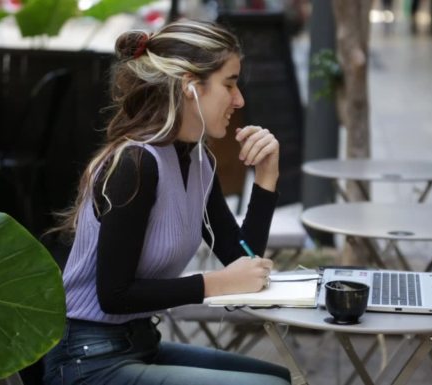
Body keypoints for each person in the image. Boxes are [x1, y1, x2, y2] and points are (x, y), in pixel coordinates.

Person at [43, 19, 291, 385]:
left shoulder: (198, 159)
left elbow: (242, 259)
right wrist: (213, 283)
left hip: (140, 344)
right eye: (230, 83)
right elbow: (113, 294)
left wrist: (267, 179)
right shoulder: (135, 164)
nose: (239, 100)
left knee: (279, 378)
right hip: (87, 361)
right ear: (191, 87)